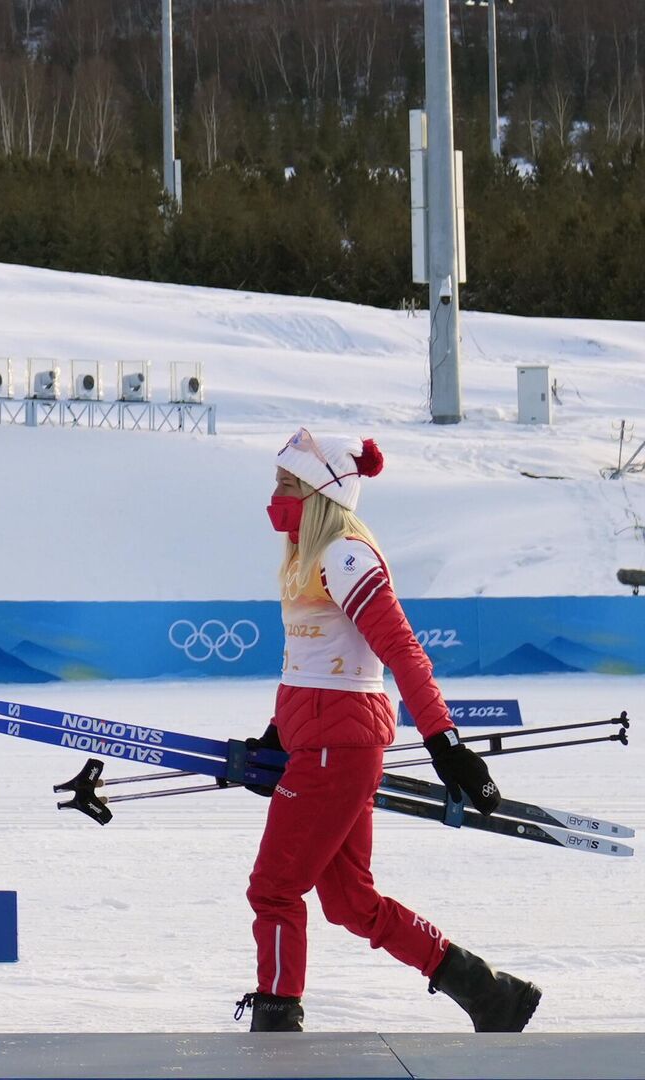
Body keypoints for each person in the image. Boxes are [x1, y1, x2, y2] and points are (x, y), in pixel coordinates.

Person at [234, 429, 541, 1032]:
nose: (274, 493)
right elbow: (310, 659)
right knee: (350, 902)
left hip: (335, 746)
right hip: (321, 741)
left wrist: (445, 745)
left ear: (319, 491)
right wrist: (278, 734)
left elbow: (402, 651)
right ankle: (488, 993)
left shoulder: (344, 555)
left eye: (286, 482)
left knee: (274, 889)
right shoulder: (306, 557)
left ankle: (276, 1021)